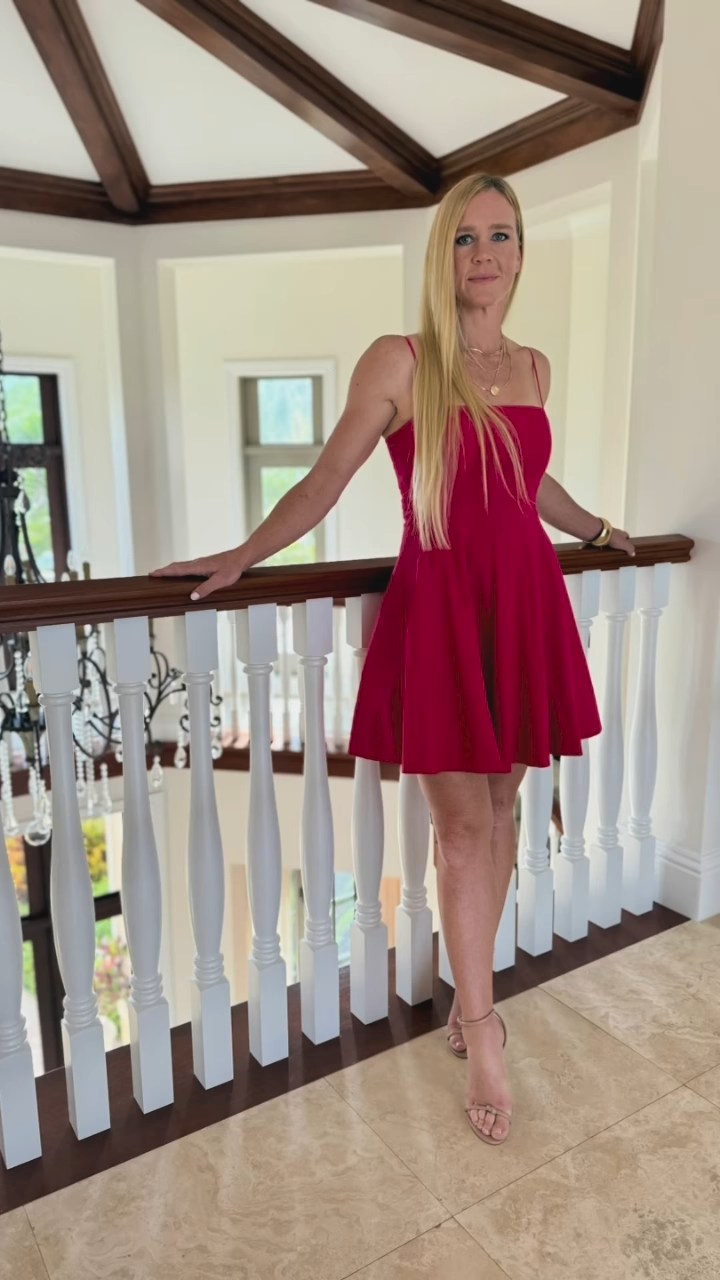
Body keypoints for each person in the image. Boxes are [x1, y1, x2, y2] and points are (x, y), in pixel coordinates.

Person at [152, 172, 635, 1147]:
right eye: (465, 238)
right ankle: (485, 1029)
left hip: (523, 601)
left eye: (500, 236)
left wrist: (598, 529)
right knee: (463, 827)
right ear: (441, 254)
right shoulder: (402, 360)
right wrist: (245, 553)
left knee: (504, 810)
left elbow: (531, 483)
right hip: (444, 608)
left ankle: (470, 991)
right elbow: (324, 480)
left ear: (521, 253)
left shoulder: (535, 367)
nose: (484, 254)